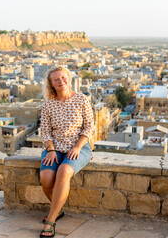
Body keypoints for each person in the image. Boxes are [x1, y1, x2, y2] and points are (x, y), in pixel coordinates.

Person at [39, 66, 95, 238]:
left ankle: (51, 220)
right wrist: (50, 150)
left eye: (63, 77)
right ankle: (58, 209)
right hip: (54, 149)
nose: (61, 81)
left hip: (79, 148)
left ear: (69, 79)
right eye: (56, 79)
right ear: (51, 85)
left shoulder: (81, 99)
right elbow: (45, 130)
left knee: (64, 171)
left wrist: (77, 147)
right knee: (46, 178)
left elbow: (89, 126)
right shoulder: (48, 104)